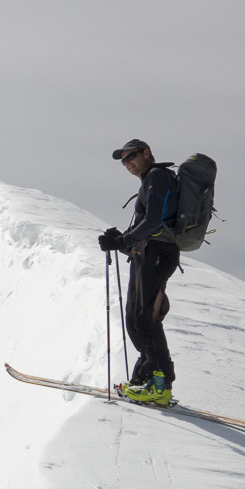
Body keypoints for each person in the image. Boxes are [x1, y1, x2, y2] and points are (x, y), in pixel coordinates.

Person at [98, 139, 179, 406]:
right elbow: (151, 226)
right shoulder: (149, 181)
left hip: (157, 253)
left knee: (146, 318)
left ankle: (160, 386)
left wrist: (122, 242)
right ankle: (144, 379)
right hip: (147, 253)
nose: (127, 163)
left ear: (146, 153)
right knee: (136, 318)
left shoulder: (157, 176)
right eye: (123, 161)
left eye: (131, 156)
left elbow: (154, 222)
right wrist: (121, 241)